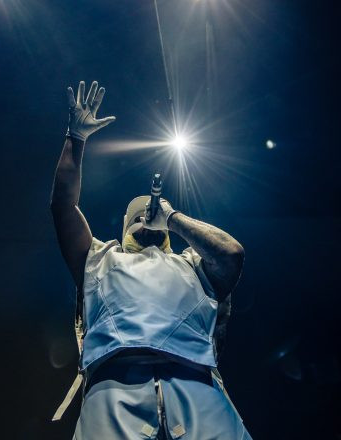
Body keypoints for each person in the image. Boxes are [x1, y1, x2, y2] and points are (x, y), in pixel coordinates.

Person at [50, 80, 252, 439]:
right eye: (139, 217)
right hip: (114, 391)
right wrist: (75, 139)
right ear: (125, 226)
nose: (147, 219)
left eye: (153, 216)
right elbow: (63, 206)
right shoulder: (98, 258)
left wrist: (172, 217)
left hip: (197, 388)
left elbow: (232, 253)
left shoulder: (194, 265)